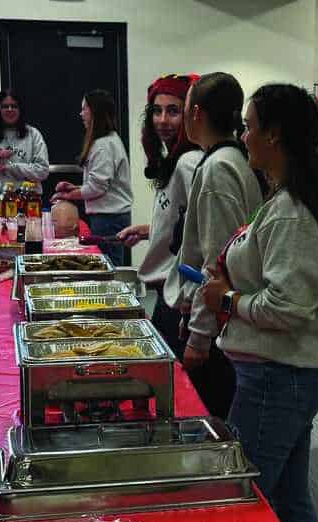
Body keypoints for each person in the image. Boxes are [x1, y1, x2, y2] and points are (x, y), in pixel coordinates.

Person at [200, 84, 318, 522]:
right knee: (288, 492)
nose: (243, 135)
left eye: (250, 125)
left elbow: (289, 305)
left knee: (247, 492)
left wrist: (229, 300)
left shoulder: (291, 212)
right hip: (284, 372)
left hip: (279, 376)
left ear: (275, 135)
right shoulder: (282, 199)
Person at [162, 72, 262, 419]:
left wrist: (198, 338)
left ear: (196, 114)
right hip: (224, 320)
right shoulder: (229, 160)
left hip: (219, 328)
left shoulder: (219, 168)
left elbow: (218, 263)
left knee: (211, 421)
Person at [117, 73, 201, 354]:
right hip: (168, 292)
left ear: (191, 115)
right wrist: (146, 230)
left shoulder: (190, 162)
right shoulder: (173, 159)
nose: (162, 120)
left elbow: (204, 231)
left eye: (173, 111)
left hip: (181, 295)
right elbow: (183, 223)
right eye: (157, 111)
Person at [52, 89, 133, 267]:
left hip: (109, 219)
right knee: (106, 265)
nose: (81, 114)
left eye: (84, 109)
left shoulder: (104, 145)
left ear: (94, 112)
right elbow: (98, 183)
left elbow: (97, 188)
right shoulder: (105, 141)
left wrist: (68, 196)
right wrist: (74, 188)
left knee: (108, 267)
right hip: (108, 217)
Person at [0, 89, 49, 198]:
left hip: (28, 201)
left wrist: (11, 168)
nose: (10, 110)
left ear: (20, 109)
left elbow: (42, 171)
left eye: (14, 106)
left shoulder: (33, 135)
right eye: (5, 106)